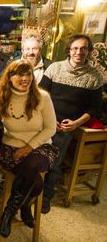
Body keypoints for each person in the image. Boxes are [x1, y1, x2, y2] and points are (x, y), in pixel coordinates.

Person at [0, 60, 58, 238]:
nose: (25, 78)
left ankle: (8, 212)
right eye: (20, 74)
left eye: (29, 74)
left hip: (40, 147)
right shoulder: (0, 98)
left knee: (34, 164)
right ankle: (25, 203)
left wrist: (28, 147)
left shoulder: (42, 96)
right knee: (36, 180)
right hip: (11, 148)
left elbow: (51, 128)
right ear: (9, 77)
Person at [40, 34, 103, 213]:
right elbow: (40, 95)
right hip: (46, 120)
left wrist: (76, 124)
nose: (79, 52)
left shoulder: (94, 77)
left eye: (83, 49)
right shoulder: (54, 68)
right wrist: (49, 118)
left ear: (89, 51)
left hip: (68, 126)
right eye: (75, 48)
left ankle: (46, 197)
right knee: (35, 157)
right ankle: (29, 192)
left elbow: (94, 109)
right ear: (69, 50)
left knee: (55, 163)